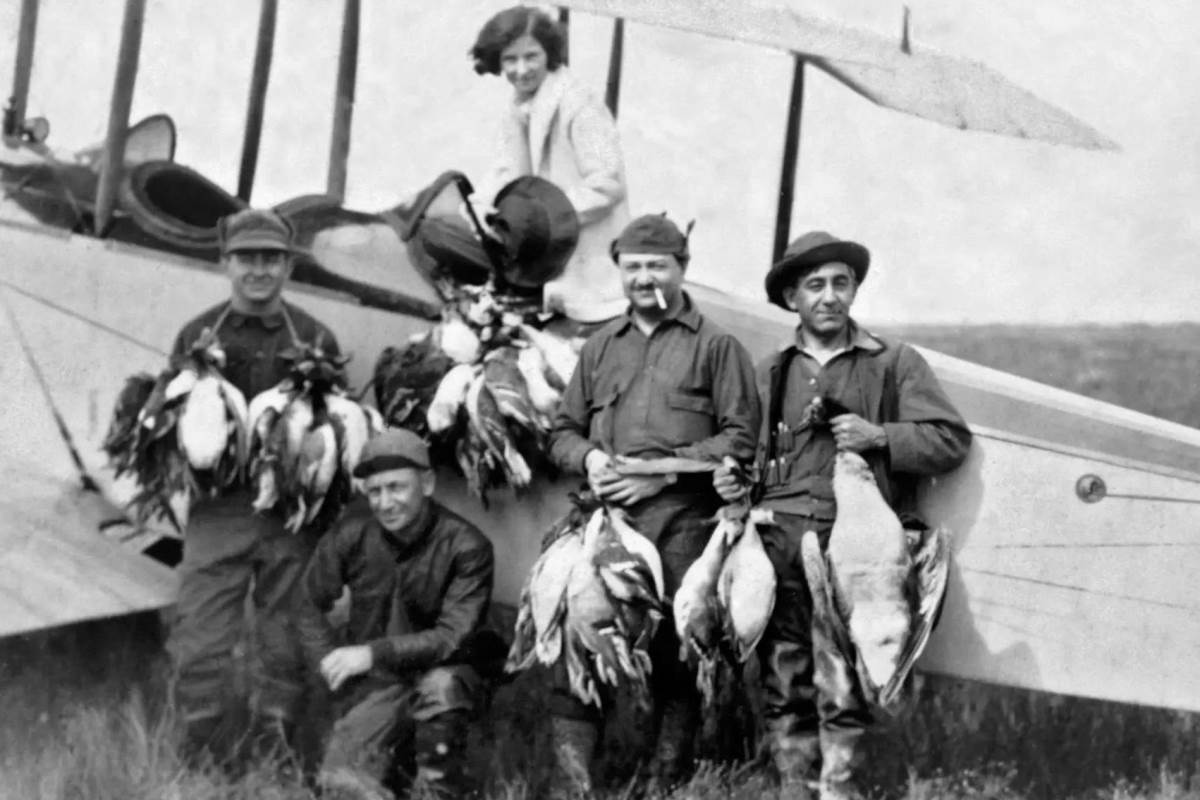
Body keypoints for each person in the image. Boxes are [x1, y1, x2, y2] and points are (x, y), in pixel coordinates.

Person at [714, 231, 972, 799]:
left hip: (858, 550)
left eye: (840, 283)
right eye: (814, 286)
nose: (829, 296)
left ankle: (841, 788)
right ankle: (795, 787)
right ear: (791, 298)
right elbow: (745, 453)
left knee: (846, 680)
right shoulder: (769, 371)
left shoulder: (894, 363)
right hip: (781, 540)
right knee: (785, 675)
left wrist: (881, 436)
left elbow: (950, 440)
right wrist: (734, 477)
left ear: (854, 290)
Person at [548, 213, 761, 792]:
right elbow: (562, 431)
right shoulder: (599, 348)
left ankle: (665, 780)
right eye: (634, 267)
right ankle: (575, 786)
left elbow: (740, 438)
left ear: (682, 269)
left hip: (682, 521)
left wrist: (661, 476)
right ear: (619, 272)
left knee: (674, 656)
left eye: (657, 266)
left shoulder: (717, 348)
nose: (645, 278)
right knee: (578, 646)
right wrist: (590, 459)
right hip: (604, 521)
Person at [166, 208, 342, 761]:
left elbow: (334, 432)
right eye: (247, 258)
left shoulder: (315, 336)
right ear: (226, 262)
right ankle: (203, 756)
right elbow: (172, 430)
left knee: (285, 639)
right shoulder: (196, 332)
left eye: (272, 258)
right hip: (218, 512)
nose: (259, 270)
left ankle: (277, 755)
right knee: (200, 638)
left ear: (289, 265)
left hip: (289, 518)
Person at [297, 429, 496, 799]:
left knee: (442, 688)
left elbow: (451, 637)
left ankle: (439, 789)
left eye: (396, 487)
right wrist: (330, 665)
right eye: (374, 491)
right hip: (378, 681)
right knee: (336, 785)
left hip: (447, 670)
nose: (385, 503)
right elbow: (307, 603)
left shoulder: (467, 546)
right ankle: (394, 770)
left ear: (428, 483)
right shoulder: (351, 535)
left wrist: (371, 653)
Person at [470, 6, 629, 323]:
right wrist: (480, 207)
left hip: (588, 252)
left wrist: (545, 218)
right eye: (510, 59)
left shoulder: (580, 103)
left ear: (550, 54)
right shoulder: (517, 107)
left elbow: (607, 182)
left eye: (531, 56)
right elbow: (505, 172)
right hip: (542, 248)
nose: (521, 69)